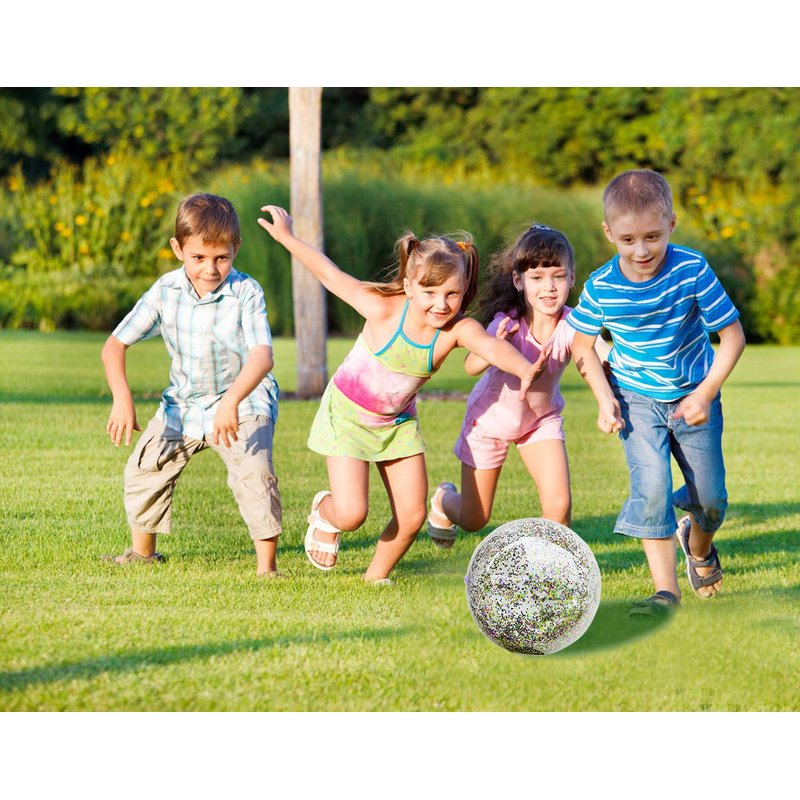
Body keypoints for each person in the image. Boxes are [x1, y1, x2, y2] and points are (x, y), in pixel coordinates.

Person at [257, 205, 547, 584]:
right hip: (347, 416)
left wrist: (524, 368)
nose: (441, 304)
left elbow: (490, 347)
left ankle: (374, 578)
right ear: (409, 287)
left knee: (411, 516)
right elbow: (329, 274)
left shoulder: (456, 330)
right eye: (430, 292)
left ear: (464, 291)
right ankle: (327, 513)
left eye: (452, 293)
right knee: (352, 513)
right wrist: (287, 237)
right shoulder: (382, 309)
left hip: (397, 424)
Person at [568, 169, 745, 616]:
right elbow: (581, 345)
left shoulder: (691, 269)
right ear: (609, 233)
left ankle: (698, 547)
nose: (641, 250)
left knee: (711, 500)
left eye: (652, 236)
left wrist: (705, 393)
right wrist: (605, 399)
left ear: (672, 224)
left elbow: (732, 336)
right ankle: (666, 591)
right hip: (636, 399)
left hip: (694, 396)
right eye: (628, 240)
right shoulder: (601, 286)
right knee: (650, 489)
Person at [100, 193, 283, 577]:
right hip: (183, 404)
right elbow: (114, 345)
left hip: (244, 400)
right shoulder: (165, 291)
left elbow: (262, 357)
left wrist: (232, 401)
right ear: (178, 249)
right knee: (146, 467)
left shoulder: (246, 292)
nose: (210, 269)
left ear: (236, 249)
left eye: (222, 258)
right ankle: (143, 554)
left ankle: (267, 569)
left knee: (254, 473)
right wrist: (122, 397)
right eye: (198, 257)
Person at [426, 224, 610, 547]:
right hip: (488, 423)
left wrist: (612, 379)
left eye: (558, 276)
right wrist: (492, 347)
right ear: (518, 281)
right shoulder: (507, 322)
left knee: (559, 507)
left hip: (539, 422)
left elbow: (596, 353)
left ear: (572, 277)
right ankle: (443, 500)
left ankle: (544, 569)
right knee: (474, 518)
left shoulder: (574, 323)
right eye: (537, 278)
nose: (549, 287)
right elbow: (470, 366)